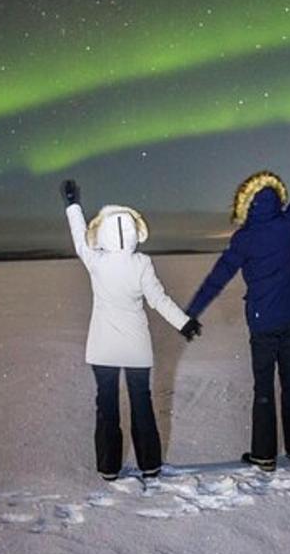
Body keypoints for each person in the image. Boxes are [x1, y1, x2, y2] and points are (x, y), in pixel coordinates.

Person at [185, 141, 290, 472]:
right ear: (276, 198)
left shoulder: (244, 239)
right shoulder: (287, 225)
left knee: (264, 387)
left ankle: (265, 455)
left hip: (263, 323)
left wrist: (191, 312)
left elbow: (217, 278)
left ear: (246, 204)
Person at [61, 179, 202, 481]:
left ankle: (109, 467)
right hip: (136, 348)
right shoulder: (141, 263)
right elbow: (159, 300)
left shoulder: (97, 261)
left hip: (103, 348)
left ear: (106, 233)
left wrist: (73, 204)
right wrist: (184, 322)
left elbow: (78, 238)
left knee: (107, 405)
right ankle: (149, 464)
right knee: (142, 404)